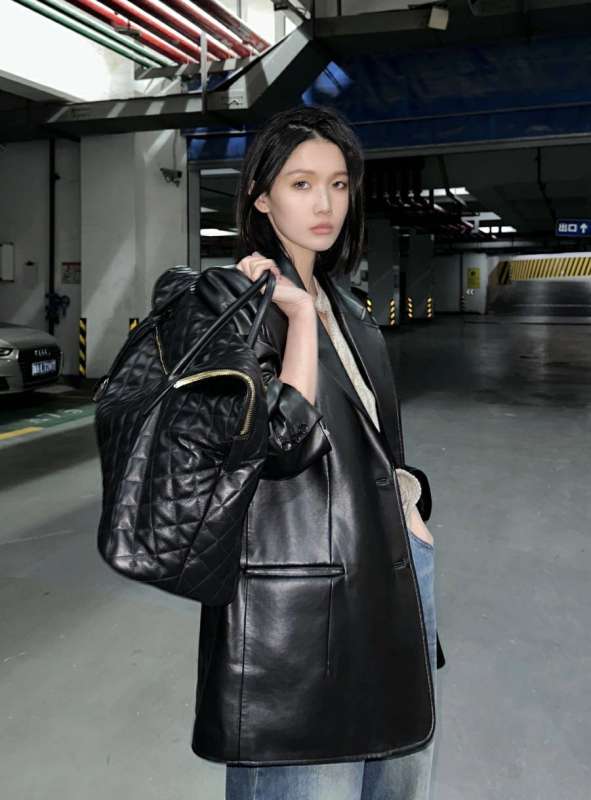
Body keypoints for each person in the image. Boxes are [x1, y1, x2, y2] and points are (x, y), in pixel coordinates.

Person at [190, 105, 446, 800]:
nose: (325, 203)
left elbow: (372, 439)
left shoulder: (349, 308)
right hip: (299, 610)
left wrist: (411, 503)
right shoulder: (228, 303)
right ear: (260, 196)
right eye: (301, 184)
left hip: (393, 570)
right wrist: (296, 318)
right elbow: (277, 444)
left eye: (337, 184)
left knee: (397, 780)